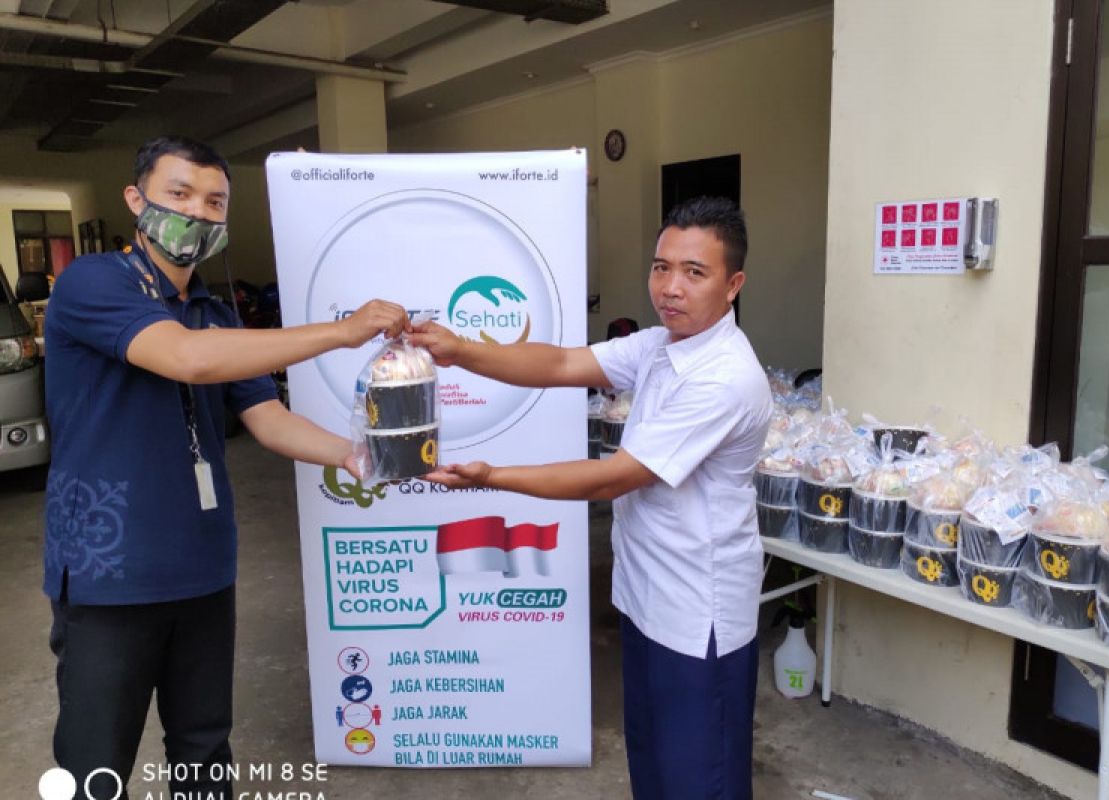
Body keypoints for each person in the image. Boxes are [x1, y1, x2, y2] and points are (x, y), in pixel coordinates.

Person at [42, 135, 409, 800]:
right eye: (178, 195)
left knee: (204, 750)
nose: (197, 214)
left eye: (214, 202)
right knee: (94, 764)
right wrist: (341, 330)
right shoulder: (92, 283)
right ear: (137, 199)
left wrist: (363, 456)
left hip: (204, 567)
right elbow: (188, 359)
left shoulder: (214, 311)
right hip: (110, 573)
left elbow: (266, 418)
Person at [415, 195, 771, 799]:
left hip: (696, 614)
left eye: (694, 272)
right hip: (645, 595)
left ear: (733, 284)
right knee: (653, 766)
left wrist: (490, 477)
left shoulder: (726, 377)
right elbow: (559, 362)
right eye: (662, 267)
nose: (671, 287)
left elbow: (613, 478)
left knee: (699, 776)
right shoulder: (661, 345)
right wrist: (460, 351)